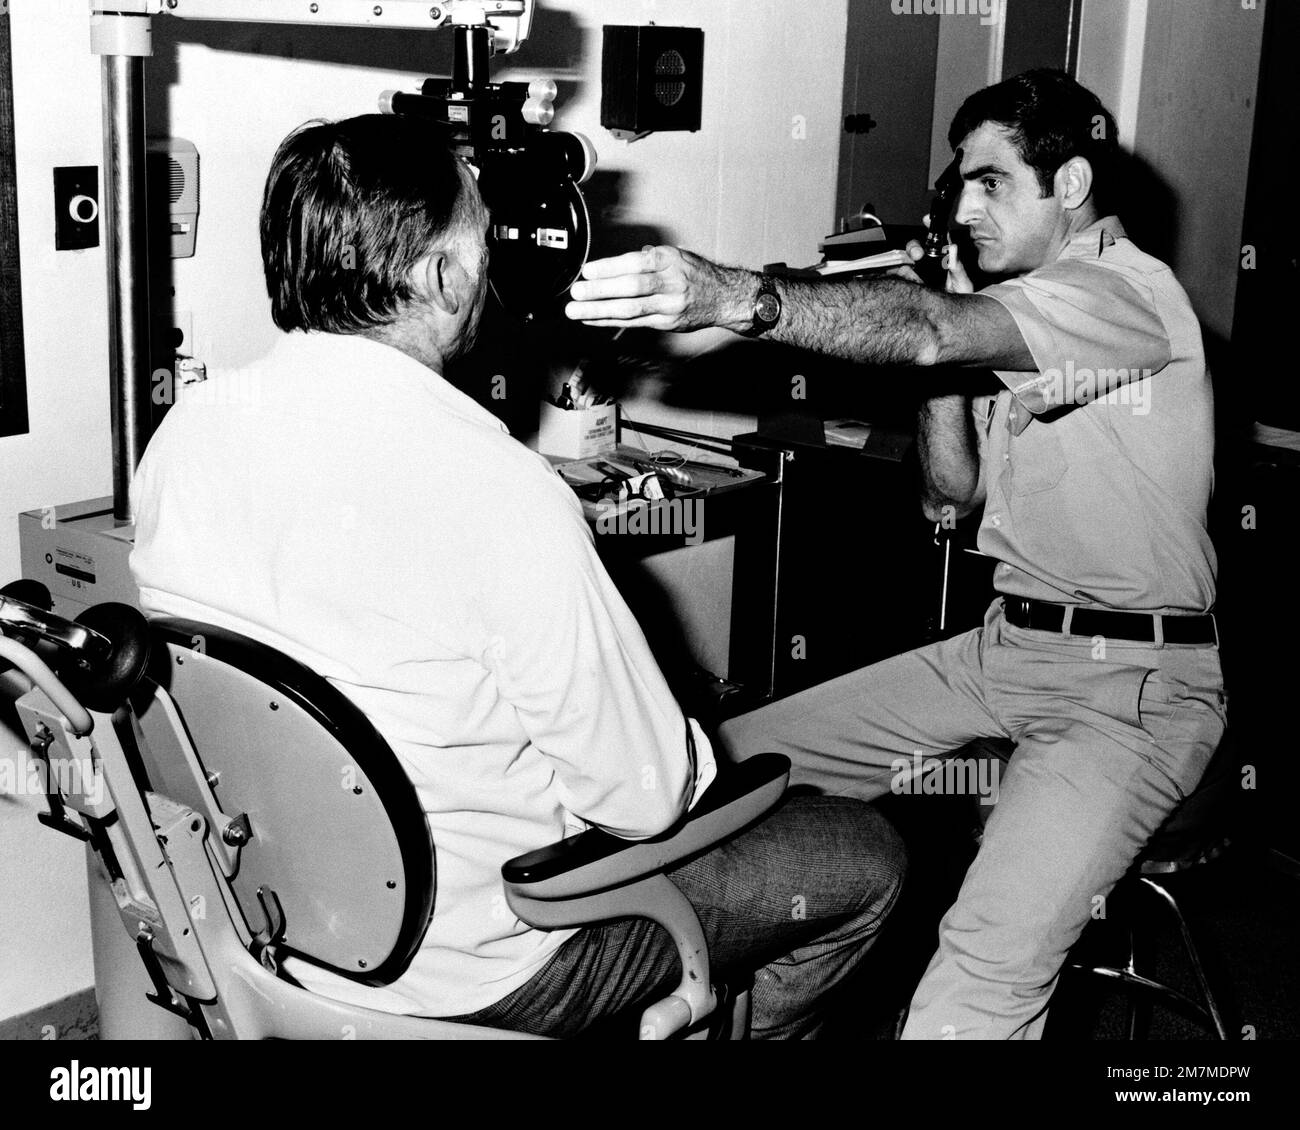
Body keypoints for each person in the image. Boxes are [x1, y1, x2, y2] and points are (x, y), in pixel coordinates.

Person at [128, 113, 905, 1039]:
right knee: (867, 858)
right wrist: (690, 754)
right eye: (480, 240)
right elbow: (646, 799)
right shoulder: (495, 486)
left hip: (277, 935)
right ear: (445, 276)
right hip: (486, 968)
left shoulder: (183, 438)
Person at [566, 68, 1227, 1039]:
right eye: (959, 184)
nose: (962, 206)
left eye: (990, 182)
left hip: (1131, 684)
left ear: (1072, 186)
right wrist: (952, 317)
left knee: (977, 981)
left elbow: (921, 338)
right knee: (715, 776)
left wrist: (734, 296)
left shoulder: (1123, 296)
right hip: (1005, 650)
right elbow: (948, 492)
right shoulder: (1023, 313)